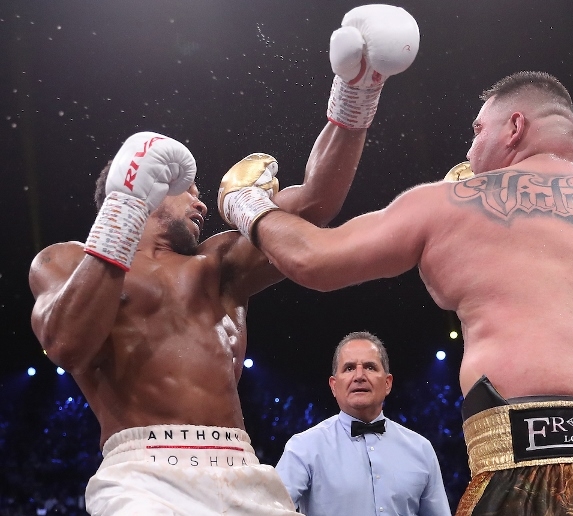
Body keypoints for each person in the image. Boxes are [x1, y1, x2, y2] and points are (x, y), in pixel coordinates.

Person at [227, 71, 573, 515]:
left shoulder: (455, 204)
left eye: (478, 130)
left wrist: (246, 202)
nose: (470, 149)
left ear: (515, 127)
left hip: (529, 477)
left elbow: (313, 259)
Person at [27, 5, 419, 515]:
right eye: (185, 190)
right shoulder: (64, 261)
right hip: (144, 476)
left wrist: (357, 92)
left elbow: (315, 205)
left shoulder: (216, 266)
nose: (200, 203)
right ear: (145, 188)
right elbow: (66, 344)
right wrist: (122, 210)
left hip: (241, 470)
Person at [275, 331, 452, 516]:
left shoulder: (421, 449)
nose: (359, 376)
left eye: (370, 367)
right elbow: (272, 509)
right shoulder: (304, 447)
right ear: (334, 386)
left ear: (388, 383)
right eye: (349, 368)